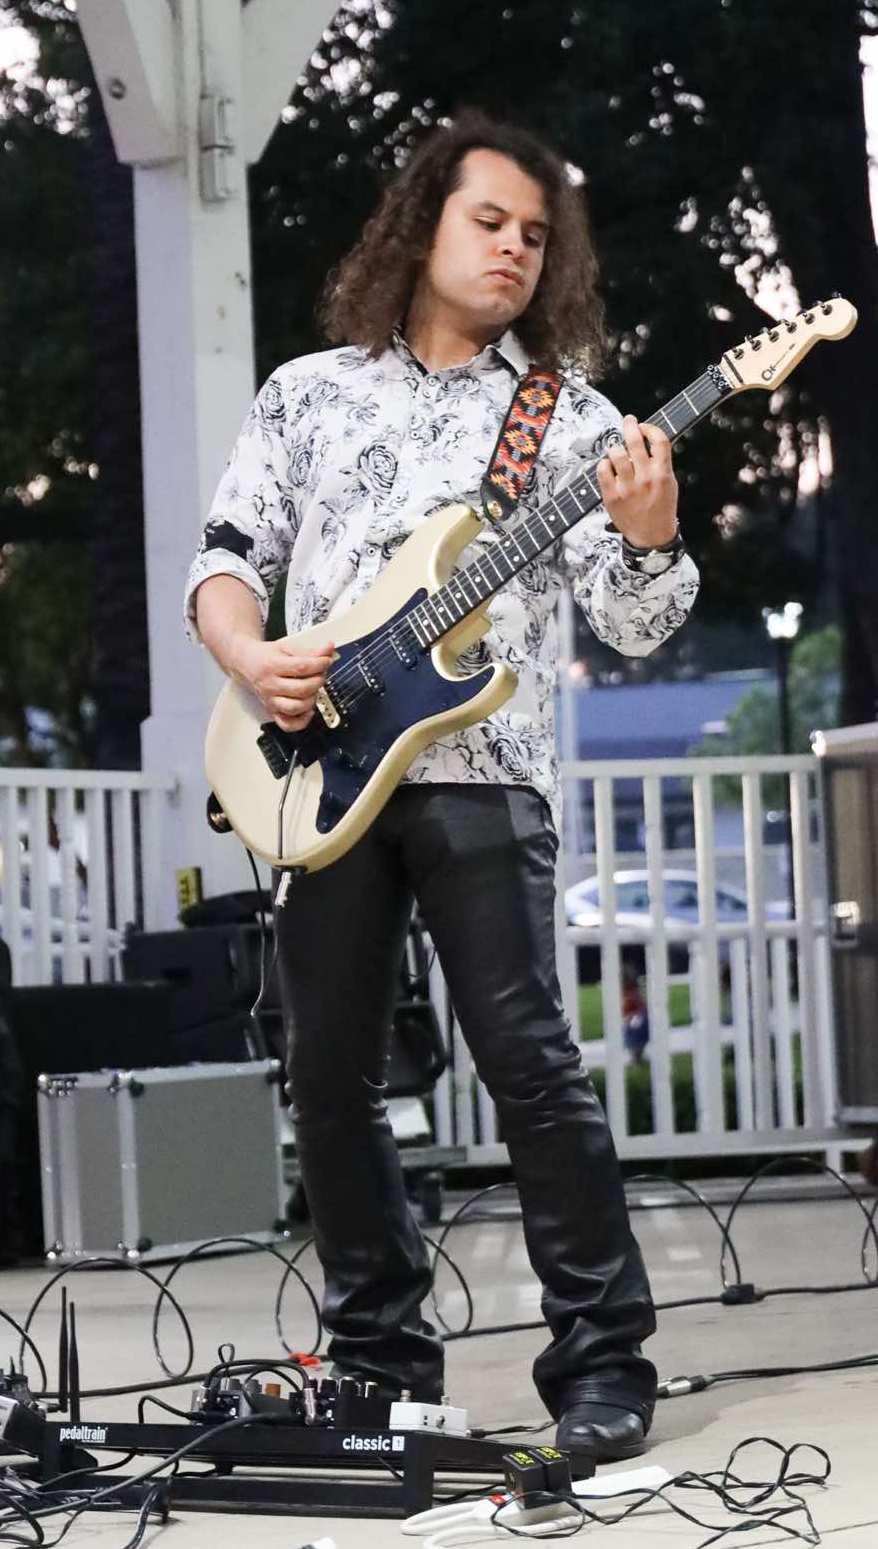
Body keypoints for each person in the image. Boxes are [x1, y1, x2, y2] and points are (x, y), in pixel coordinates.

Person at [187, 111, 699, 1461]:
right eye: (489, 222)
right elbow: (224, 559)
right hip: (318, 774)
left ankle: (602, 1364)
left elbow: (634, 623)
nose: (515, 249)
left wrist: (649, 538)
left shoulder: (571, 420)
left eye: (536, 235)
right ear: (423, 227)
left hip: (487, 774)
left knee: (528, 1062)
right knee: (329, 1074)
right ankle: (376, 1364)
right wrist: (254, 657)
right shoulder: (308, 393)